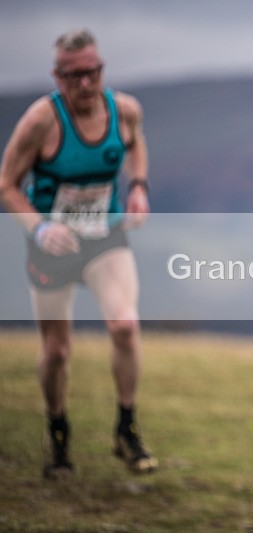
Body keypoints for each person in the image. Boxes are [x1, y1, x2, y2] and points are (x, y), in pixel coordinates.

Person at [0, 29, 157, 478]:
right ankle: (58, 431)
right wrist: (40, 226)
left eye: (93, 72)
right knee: (57, 350)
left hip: (104, 237)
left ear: (101, 69)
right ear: (57, 76)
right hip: (52, 246)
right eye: (73, 76)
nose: (85, 84)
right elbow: (6, 183)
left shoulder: (123, 109)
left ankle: (126, 428)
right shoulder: (40, 121)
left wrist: (139, 188)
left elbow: (135, 144)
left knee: (125, 326)